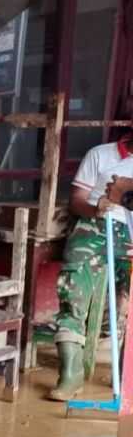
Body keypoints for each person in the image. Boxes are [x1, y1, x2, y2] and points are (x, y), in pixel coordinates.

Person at [49, 134, 133, 400]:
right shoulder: (100, 154)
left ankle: (127, 375)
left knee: (128, 303)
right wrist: (95, 209)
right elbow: (77, 199)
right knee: (74, 286)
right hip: (95, 226)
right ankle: (71, 374)